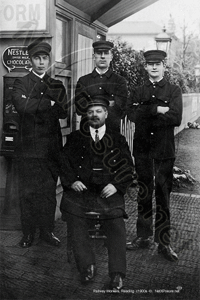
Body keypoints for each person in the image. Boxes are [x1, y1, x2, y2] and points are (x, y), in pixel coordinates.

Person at [59, 96, 134, 290]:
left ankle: (117, 274)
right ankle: (87, 266)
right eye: (91, 111)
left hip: (108, 192)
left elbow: (128, 167)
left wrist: (116, 185)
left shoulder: (117, 139)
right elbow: (64, 163)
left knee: (116, 222)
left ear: (106, 114)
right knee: (76, 219)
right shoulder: (76, 138)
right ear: (86, 114)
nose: (94, 115)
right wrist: (72, 181)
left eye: (98, 111)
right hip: (82, 191)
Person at [126, 50, 182, 261]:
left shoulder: (174, 90)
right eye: (150, 64)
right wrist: (157, 109)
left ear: (164, 66)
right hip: (142, 151)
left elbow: (176, 117)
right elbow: (131, 114)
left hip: (164, 152)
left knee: (163, 196)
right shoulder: (138, 90)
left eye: (158, 63)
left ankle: (164, 243)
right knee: (144, 193)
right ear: (146, 67)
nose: (154, 67)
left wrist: (146, 112)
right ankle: (143, 236)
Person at [12, 40, 69, 248]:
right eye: (37, 58)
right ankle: (28, 233)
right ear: (30, 59)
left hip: (50, 149)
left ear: (49, 60)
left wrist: (34, 103)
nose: (41, 62)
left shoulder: (57, 85)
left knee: (47, 193)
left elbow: (62, 111)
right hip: (27, 149)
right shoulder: (21, 83)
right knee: (27, 192)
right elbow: (21, 106)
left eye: (45, 58)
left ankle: (47, 231)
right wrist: (48, 103)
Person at [75, 40, 128, 132]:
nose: (103, 56)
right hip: (87, 132)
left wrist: (90, 103)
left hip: (111, 133)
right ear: (93, 57)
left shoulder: (119, 81)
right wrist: (109, 103)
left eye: (106, 53)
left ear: (111, 57)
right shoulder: (83, 81)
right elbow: (80, 109)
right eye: (99, 53)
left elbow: (121, 109)